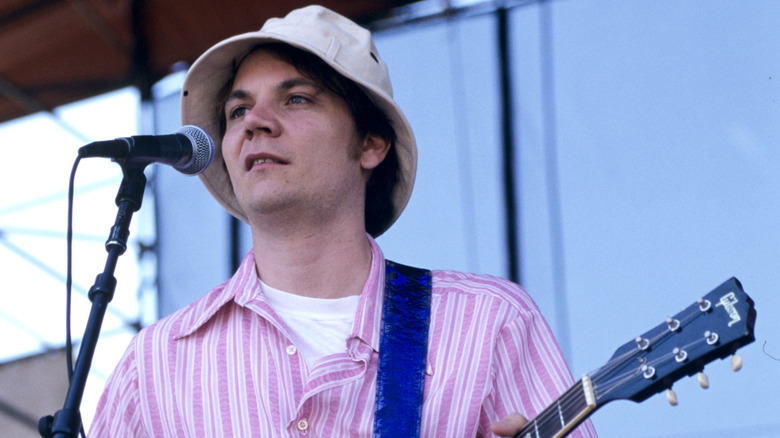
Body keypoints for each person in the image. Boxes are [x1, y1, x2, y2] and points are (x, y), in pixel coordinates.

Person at [90, 5, 597, 437]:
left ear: (371, 143)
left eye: (296, 98)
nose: (255, 122)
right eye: (237, 111)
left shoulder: (489, 324)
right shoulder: (155, 365)